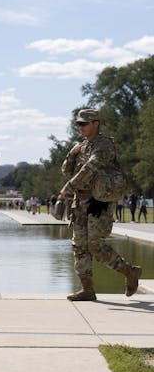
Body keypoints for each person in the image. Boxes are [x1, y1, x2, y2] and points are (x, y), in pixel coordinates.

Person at [60, 108, 141, 301]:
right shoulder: (82, 146)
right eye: (78, 124)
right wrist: (71, 154)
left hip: (99, 201)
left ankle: (129, 272)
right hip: (80, 203)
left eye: (83, 124)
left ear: (95, 123)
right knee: (79, 246)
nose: (80, 127)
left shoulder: (104, 145)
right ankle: (87, 289)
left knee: (95, 246)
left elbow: (91, 167)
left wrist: (69, 187)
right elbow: (66, 171)